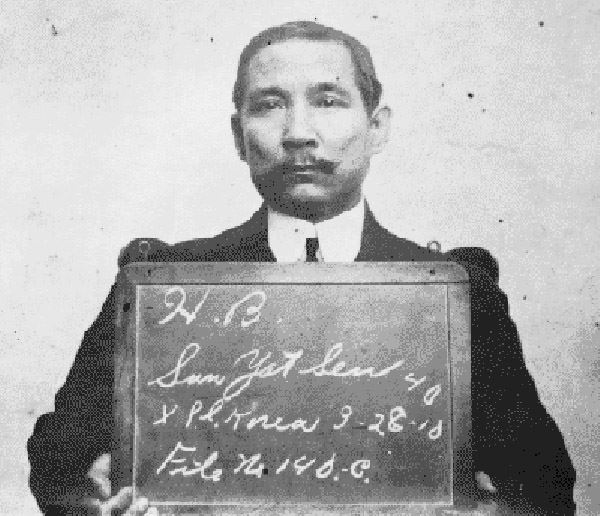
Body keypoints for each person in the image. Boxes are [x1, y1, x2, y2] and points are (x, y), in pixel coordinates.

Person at [28, 21, 576, 515]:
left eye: (328, 101)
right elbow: (58, 461)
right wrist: (94, 502)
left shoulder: (456, 290)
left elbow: (544, 486)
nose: (298, 132)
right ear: (238, 135)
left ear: (377, 127)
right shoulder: (161, 281)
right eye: (269, 105)